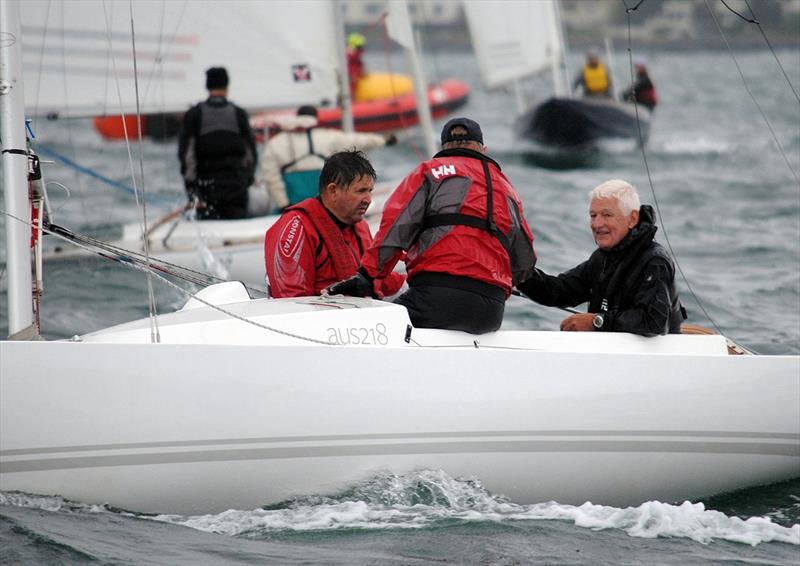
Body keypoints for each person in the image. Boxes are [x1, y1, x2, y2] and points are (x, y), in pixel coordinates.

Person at [326, 117, 537, 335]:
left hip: (435, 299)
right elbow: (524, 262)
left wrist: (368, 276)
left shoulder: (429, 172)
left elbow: (396, 227)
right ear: (483, 149)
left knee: (376, 328)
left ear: (444, 146)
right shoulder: (508, 189)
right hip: (490, 313)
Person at [517, 179, 685, 336]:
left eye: (607, 215)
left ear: (632, 219)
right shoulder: (602, 258)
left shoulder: (654, 261)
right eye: (593, 215)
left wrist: (596, 321)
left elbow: (654, 322)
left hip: (654, 361)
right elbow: (556, 291)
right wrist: (516, 270)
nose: (597, 224)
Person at [264, 149, 405, 298]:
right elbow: (290, 300)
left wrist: (411, 283)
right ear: (333, 190)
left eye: (370, 191)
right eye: (361, 191)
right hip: (321, 317)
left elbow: (375, 280)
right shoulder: (296, 229)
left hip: (359, 314)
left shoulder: (359, 227)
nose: (368, 199)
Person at [261, 105, 397, 211]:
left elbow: (270, 176)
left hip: (293, 201)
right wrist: (384, 140)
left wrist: (283, 203)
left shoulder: (275, 143)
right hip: (324, 194)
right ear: (315, 118)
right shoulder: (327, 136)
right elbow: (358, 140)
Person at [178, 67, 257, 220]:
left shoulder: (194, 114)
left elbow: (187, 156)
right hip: (236, 186)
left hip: (205, 188)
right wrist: (247, 180)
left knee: (209, 231)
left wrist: (192, 190)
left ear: (207, 86)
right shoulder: (239, 113)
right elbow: (251, 154)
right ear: (227, 86)